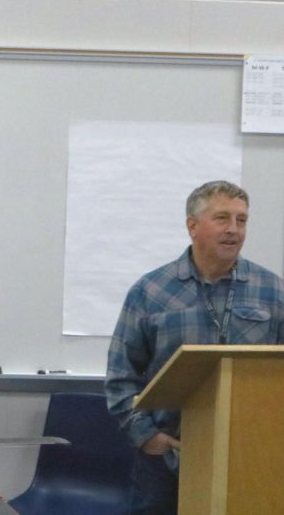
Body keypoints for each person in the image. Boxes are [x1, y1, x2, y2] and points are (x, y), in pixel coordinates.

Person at [105, 180, 284, 515]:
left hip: (252, 457)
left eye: (241, 220)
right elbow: (121, 377)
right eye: (222, 218)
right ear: (192, 225)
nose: (234, 230)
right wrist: (147, 437)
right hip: (167, 461)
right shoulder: (151, 292)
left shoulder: (272, 291)